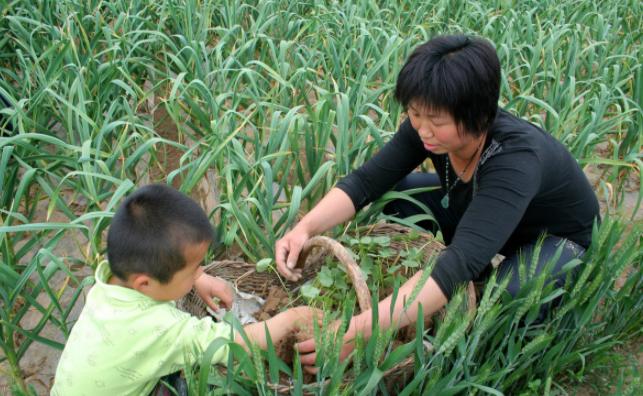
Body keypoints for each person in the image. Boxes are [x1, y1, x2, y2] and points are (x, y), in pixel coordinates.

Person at [274, 34, 600, 367]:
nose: (423, 130)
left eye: (437, 121)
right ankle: (417, 300)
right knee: (400, 195)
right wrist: (305, 227)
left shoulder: (516, 159)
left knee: (501, 304)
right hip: (480, 208)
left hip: (555, 239)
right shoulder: (428, 128)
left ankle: (481, 312)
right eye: (415, 114)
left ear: (479, 114)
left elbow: (457, 265)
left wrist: (355, 332)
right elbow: (365, 182)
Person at [52, 184, 319, 396]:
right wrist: (291, 318)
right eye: (193, 269)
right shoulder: (162, 329)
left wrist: (199, 277)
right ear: (145, 283)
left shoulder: (109, 281)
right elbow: (234, 343)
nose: (198, 272)